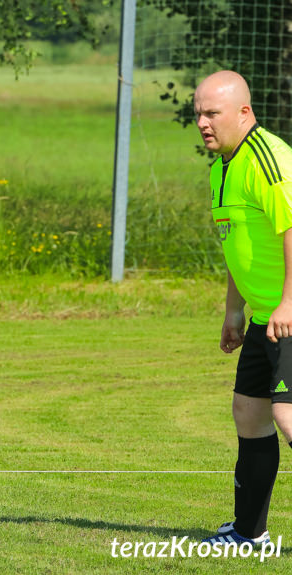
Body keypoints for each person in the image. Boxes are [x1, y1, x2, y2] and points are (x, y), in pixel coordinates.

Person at [194, 70, 292, 547]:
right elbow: (239, 245)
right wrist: (234, 311)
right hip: (263, 316)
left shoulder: (270, 160)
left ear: (244, 113)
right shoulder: (221, 169)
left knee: (288, 416)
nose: (202, 123)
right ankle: (249, 532)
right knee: (249, 413)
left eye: (212, 113)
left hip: (288, 313)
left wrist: (289, 301)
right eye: (198, 114)